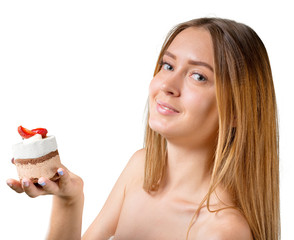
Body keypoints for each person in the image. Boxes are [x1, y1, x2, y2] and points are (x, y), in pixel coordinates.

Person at [7, 17, 280, 240]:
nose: (167, 85)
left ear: (236, 111)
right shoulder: (140, 169)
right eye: (168, 65)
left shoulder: (222, 232)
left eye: (198, 76)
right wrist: (69, 200)